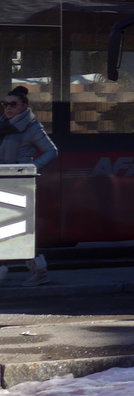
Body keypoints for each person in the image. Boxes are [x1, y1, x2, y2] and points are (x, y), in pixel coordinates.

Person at [0, 86, 58, 286]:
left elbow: (52, 151)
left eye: (13, 104)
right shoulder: (3, 125)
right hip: (3, 181)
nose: (8, 108)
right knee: (6, 230)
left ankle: (39, 271)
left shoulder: (32, 127)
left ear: (24, 105)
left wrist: (29, 168)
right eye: (5, 104)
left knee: (18, 230)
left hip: (19, 184)